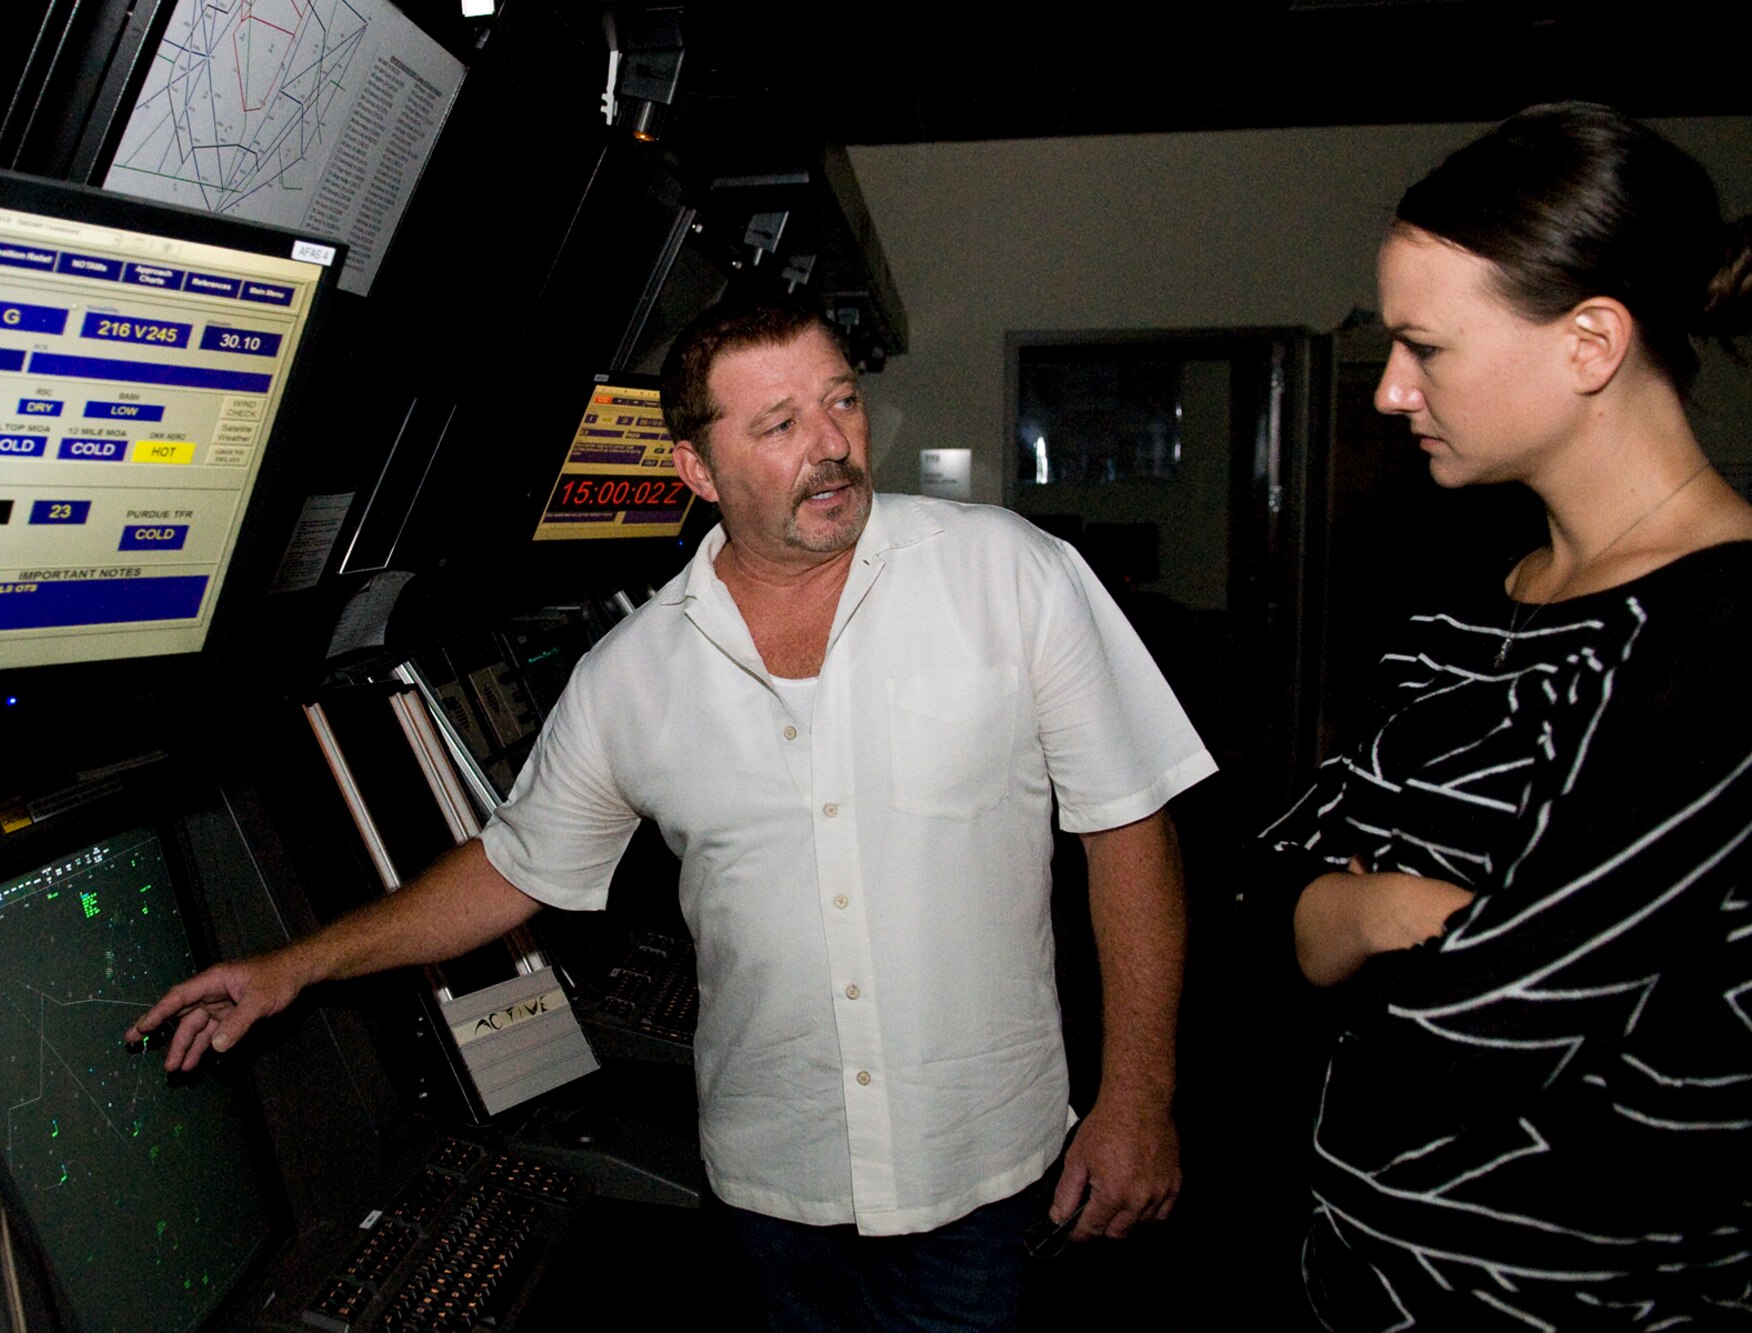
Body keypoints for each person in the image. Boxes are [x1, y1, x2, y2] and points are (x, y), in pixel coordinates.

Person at [129, 298, 1215, 1329]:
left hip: (982, 1171)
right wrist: (294, 966)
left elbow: (1126, 828)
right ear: (695, 468)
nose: (830, 445)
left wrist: (1135, 1095)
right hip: (774, 1189)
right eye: (779, 423)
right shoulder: (632, 673)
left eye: (839, 401)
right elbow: (513, 870)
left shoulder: (1010, 575)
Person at [1260, 103, 1752, 1328]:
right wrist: (1372, 908)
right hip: (1360, 1280)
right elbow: (1273, 897)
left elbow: (1483, 1023)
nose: (1387, 390)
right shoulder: (1472, 608)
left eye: (1426, 348)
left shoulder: (1722, 628)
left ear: (1589, 343)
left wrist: (1359, 926)